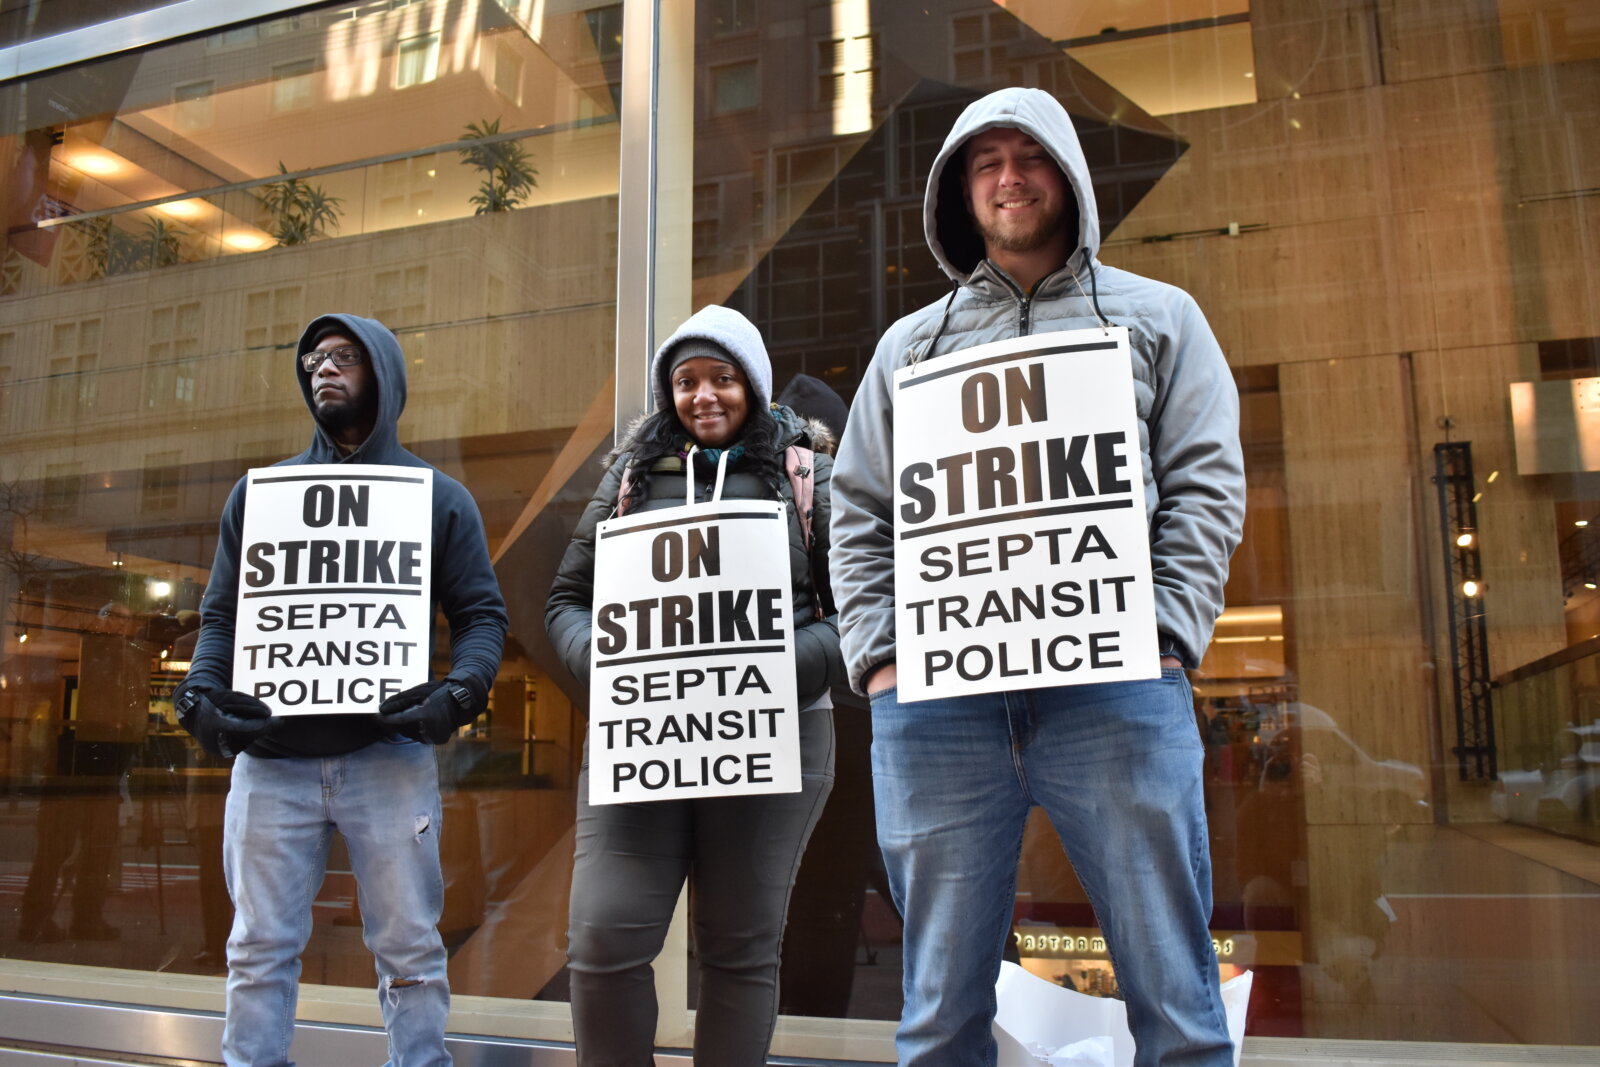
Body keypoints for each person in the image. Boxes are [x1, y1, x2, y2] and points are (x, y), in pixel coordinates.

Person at [830, 87, 1246, 1066]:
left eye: (1029, 157)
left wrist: (1166, 629)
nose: (1009, 178)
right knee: (935, 1016)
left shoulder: (1159, 317)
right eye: (986, 163)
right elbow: (856, 512)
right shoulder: (908, 348)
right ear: (957, 191)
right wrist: (881, 659)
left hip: (1114, 689)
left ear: (1066, 174)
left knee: (1176, 1002)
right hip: (938, 710)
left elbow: (1205, 480)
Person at [175, 314, 508, 1067]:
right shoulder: (260, 496)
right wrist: (198, 692)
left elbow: (483, 616)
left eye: (345, 357)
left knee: (411, 950)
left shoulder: (437, 496)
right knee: (258, 948)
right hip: (270, 761)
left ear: (384, 374)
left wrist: (459, 694)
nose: (324, 368)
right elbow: (223, 614)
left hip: (387, 758)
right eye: (315, 359)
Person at [546, 304, 841, 1066]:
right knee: (603, 938)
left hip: (773, 739)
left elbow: (857, 613)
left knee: (740, 947)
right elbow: (565, 602)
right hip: (643, 734)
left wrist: (764, 666)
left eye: (722, 378)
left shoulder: (807, 472)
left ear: (753, 382)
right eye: (685, 381)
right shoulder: (630, 474)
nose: (704, 395)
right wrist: (606, 667)